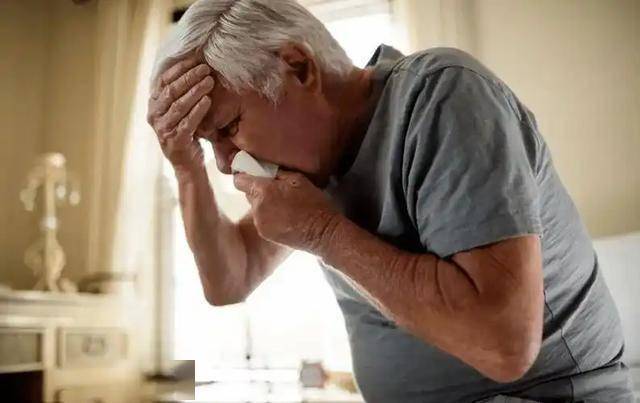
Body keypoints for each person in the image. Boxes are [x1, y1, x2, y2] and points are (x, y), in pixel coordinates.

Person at [146, 1, 633, 401]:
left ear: (298, 68)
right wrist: (186, 167)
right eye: (210, 144)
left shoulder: (443, 96)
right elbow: (230, 280)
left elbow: (503, 345)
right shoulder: (311, 163)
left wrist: (323, 233)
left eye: (229, 128)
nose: (226, 163)